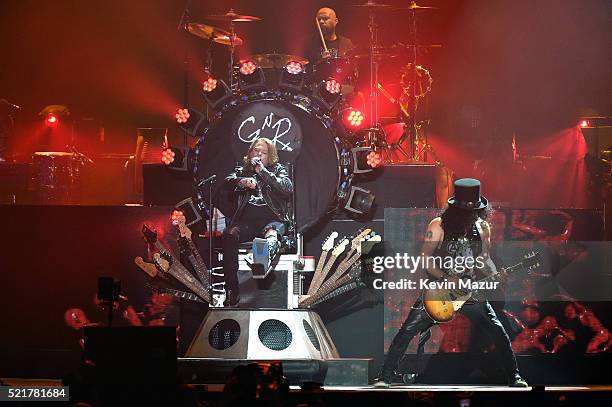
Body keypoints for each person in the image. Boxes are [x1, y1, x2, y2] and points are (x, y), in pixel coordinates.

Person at [373, 178, 528, 387]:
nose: (472, 215)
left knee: (497, 330)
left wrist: (495, 274)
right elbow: (425, 257)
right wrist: (446, 278)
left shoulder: (482, 228)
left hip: (469, 292)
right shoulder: (438, 225)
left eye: (475, 211)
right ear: (456, 210)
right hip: (439, 291)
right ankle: (386, 376)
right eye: (467, 212)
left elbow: (483, 257)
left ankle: (514, 376)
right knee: (408, 329)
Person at [219, 138, 293, 307]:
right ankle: (231, 291)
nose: (259, 154)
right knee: (229, 234)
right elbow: (225, 183)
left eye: (264, 152)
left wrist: (262, 171)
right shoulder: (242, 170)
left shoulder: (277, 169)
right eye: (256, 151)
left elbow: (286, 187)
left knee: (272, 235)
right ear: (249, 153)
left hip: (272, 220)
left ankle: (260, 262)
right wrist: (242, 181)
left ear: (270, 156)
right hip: (247, 223)